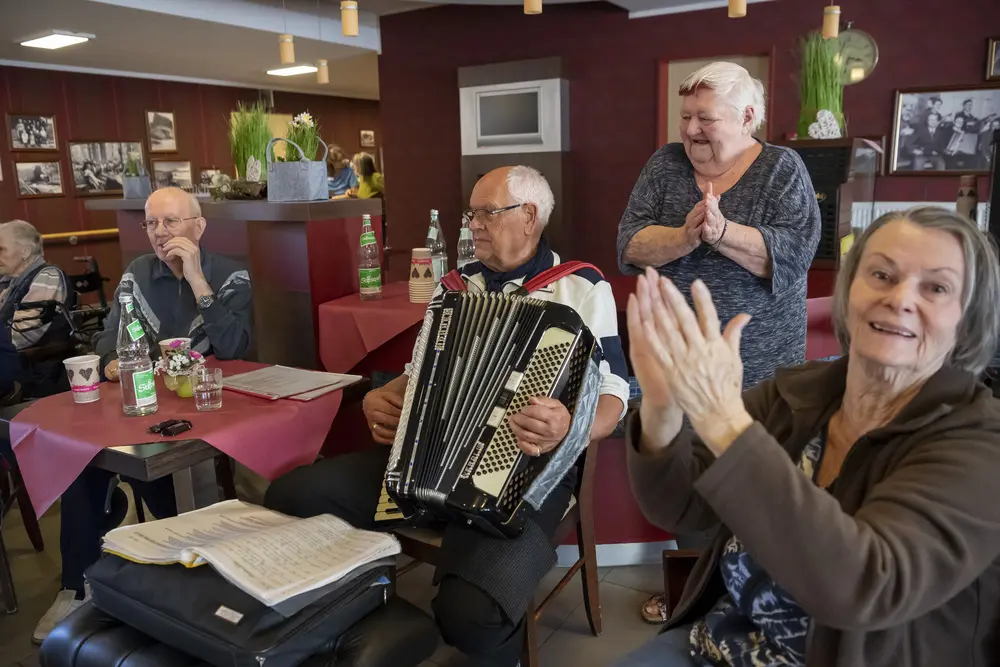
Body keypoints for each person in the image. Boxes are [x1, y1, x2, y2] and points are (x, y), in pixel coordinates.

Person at [266, 166, 629, 667]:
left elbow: (615, 391)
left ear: (529, 217)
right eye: (472, 213)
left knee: (471, 620)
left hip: (524, 474)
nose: (474, 224)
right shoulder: (456, 287)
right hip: (425, 463)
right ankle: (358, 617)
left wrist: (572, 425)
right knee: (289, 496)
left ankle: (496, 636)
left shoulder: (581, 288)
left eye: (487, 212)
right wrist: (382, 397)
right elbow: (421, 371)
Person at [615, 206, 1000, 667]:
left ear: (968, 317)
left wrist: (721, 417)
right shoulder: (799, 393)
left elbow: (864, 587)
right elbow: (680, 504)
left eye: (936, 288)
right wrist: (662, 405)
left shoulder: (980, 443)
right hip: (719, 644)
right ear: (849, 289)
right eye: (881, 274)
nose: (900, 298)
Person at [616, 61, 820, 622]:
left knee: (755, 480)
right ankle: (693, 590)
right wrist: (685, 235)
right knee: (686, 477)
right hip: (679, 358)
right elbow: (631, 243)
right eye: (685, 117)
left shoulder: (783, 169)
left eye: (705, 118)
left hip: (762, 364)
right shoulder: (665, 164)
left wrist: (723, 232)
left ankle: (756, 599)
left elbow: (792, 254)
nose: (690, 130)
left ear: (748, 116)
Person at [33, 187, 254, 644]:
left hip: (205, 410)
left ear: (199, 226)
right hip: (142, 405)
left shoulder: (231, 276)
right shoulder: (136, 274)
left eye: (170, 222)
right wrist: (114, 364)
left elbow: (234, 349)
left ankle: (183, 576)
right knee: (82, 460)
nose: (159, 233)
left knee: (159, 481)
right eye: (151, 223)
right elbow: (108, 340)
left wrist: (196, 279)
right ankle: (76, 586)